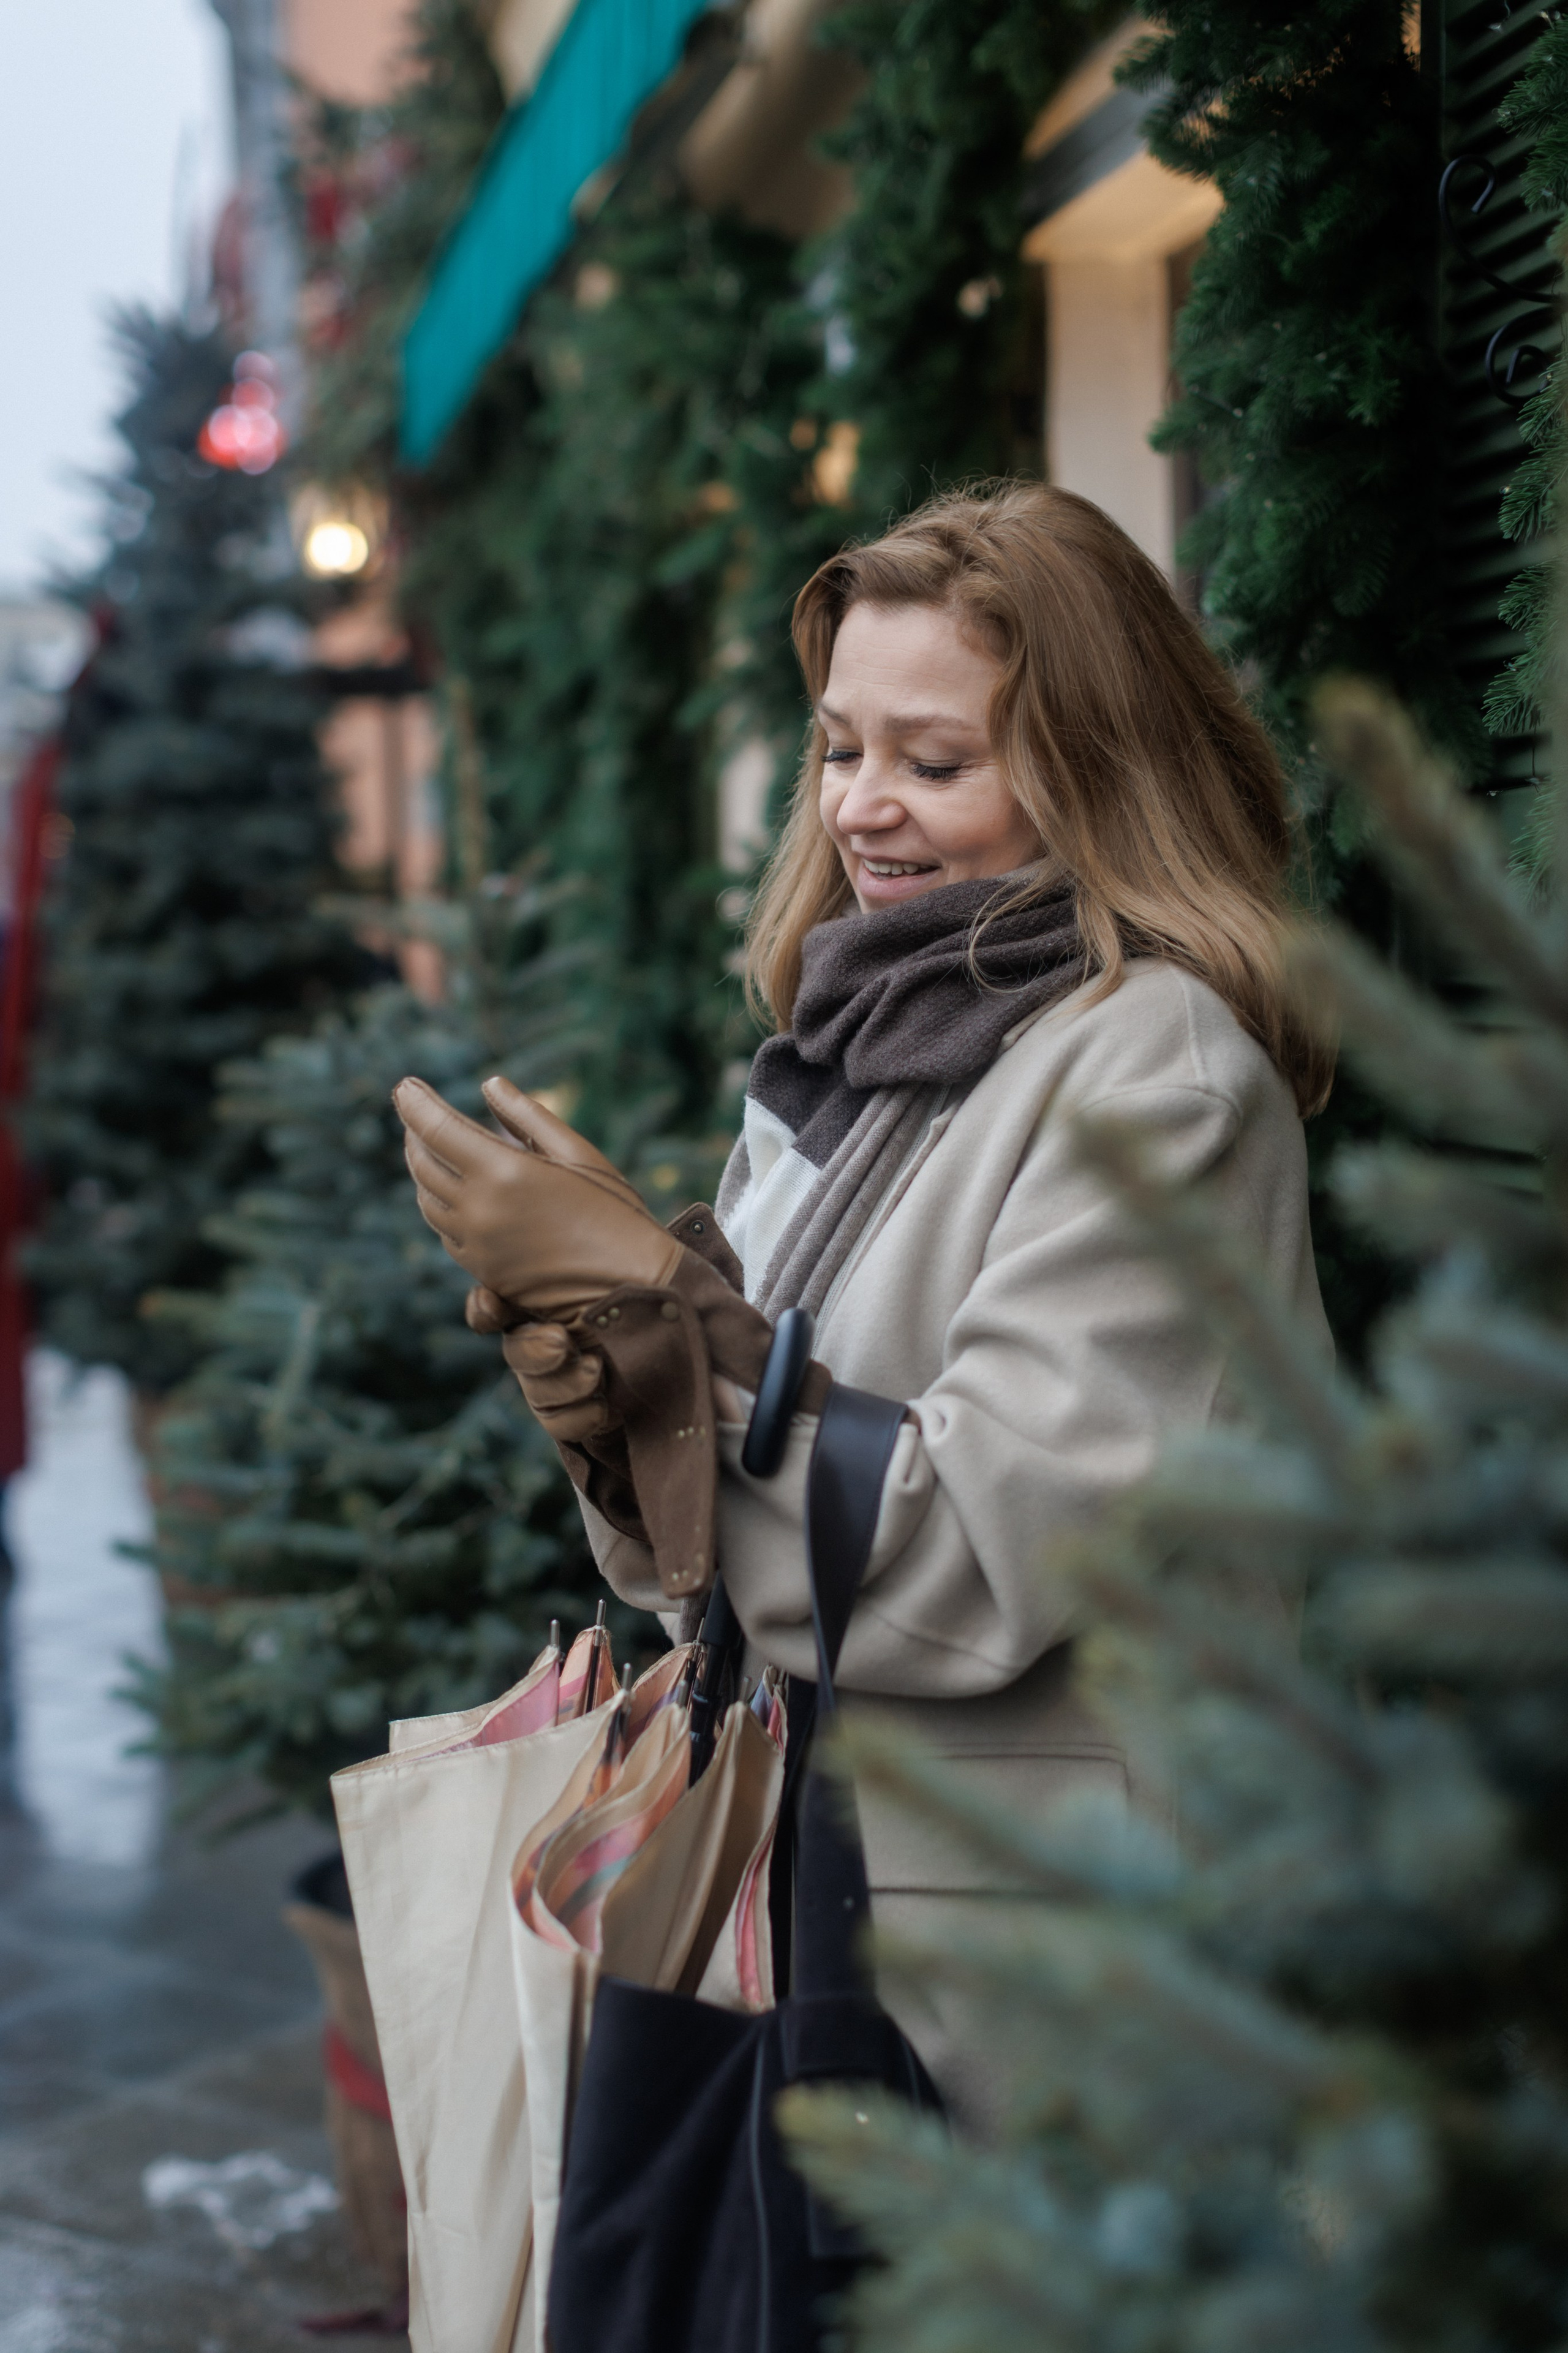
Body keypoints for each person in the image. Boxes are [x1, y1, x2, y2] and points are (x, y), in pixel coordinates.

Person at [394, 482, 1333, 2117]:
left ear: (1097, 767)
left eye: (936, 760)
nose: (862, 807)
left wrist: (671, 1324)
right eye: (840, 747)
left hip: (1021, 1986)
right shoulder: (850, 1043)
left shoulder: (1157, 1074)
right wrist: (612, 1385)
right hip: (820, 1910)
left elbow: (969, 1562)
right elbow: (706, 1578)